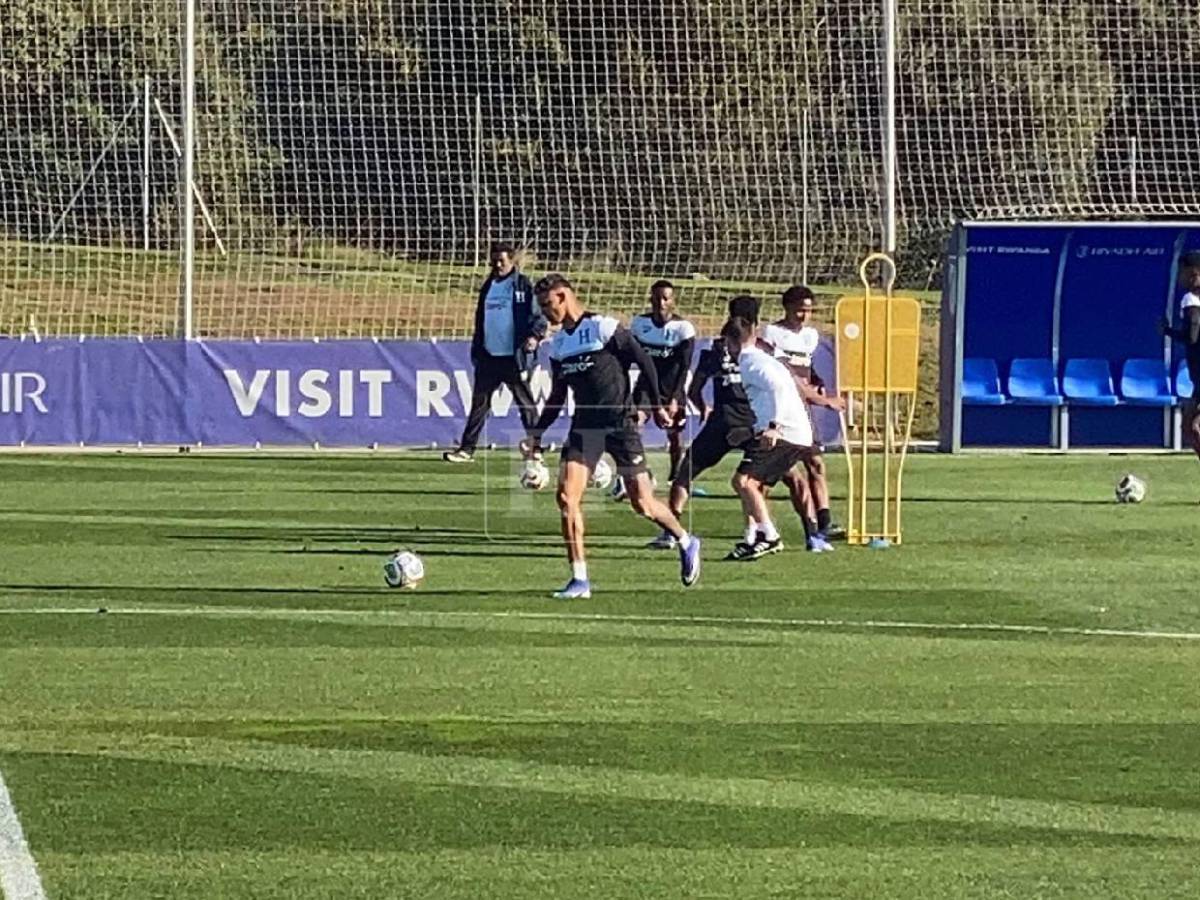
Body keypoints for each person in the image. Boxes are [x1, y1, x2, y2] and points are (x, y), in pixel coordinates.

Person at [525, 274, 702, 598]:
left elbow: (643, 359)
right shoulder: (559, 344)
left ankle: (686, 540)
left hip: (621, 423)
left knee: (644, 504)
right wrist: (536, 432)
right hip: (585, 428)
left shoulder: (604, 328)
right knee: (566, 498)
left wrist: (660, 403)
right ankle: (580, 580)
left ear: (564, 297)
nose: (546, 313)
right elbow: (557, 395)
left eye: (549, 305)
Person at [646, 295, 759, 550]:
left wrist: (703, 408)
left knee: (685, 473)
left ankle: (671, 532)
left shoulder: (715, 349)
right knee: (756, 481)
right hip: (754, 422)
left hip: (722, 421)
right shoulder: (763, 349)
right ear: (755, 321)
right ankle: (756, 533)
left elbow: (695, 389)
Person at [723, 315, 830, 560]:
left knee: (744, 482)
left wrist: (773, 425)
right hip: (794, 432)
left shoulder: (750, 362)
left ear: (730, 342)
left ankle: (769, 536)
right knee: (752, 484)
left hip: (786, 433)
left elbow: (778, 388)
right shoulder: (761, 358)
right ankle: (754, 537)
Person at [443, 242, 545, 463]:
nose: (498, 264)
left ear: (512, 261)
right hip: (489, 356)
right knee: (479, 404)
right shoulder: (488, 286)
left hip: (513, 357)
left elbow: (537, 315)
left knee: (526, 404)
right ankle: (466, 449)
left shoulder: (522, 285)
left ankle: (536, 448)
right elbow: (482, 319)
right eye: (495, 260)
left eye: (503, 261)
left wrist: (534, 336)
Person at [760, 285, 846, 542]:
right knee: (776, 475)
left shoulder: (810, 336)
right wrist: (823, 399)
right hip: (781, 408)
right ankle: (759, 526)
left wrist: (817, 381)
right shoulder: (772, 333)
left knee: (816, 463)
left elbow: (806, 368)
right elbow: (781, 371)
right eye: (799, 310)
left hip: (804, 410)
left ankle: (824, 522)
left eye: (808, 311)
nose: (804, 316)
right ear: (786, 308)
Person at [628, 281, 697, 484]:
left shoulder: (683, 328)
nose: (661, 302)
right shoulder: (640, 324)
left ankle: (676, 471)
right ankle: (640, 469)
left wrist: (675, 397)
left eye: (665, 298)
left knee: (674, 434)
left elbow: (684, 367)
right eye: (657, 298)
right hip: (646, 387)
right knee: (634, 424)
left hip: (671, 388)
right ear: (651, 299)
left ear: (672, 301)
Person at [1161, 251, 1200, 460]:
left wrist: (1167, 331)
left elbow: (1192, 334)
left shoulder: (1190, 299)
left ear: (1194, 272)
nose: (1179, 278)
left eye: (1181, 273)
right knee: (1188, 425)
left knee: (1191, 426)